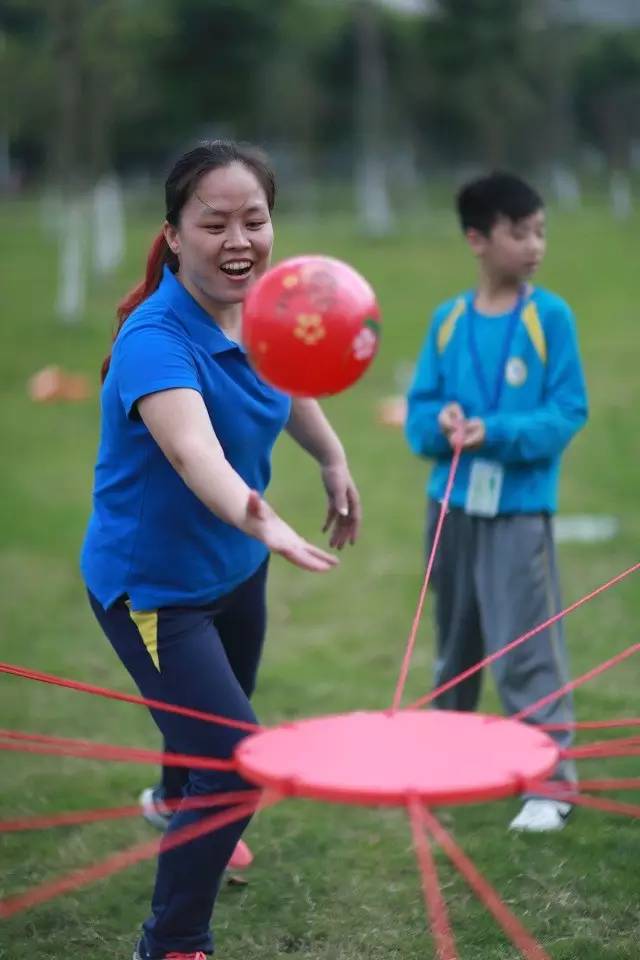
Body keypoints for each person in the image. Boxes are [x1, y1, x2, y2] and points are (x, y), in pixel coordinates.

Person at [81, 139, 361, 960]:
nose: (239, 241)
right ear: (173, 234)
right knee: (236, 769)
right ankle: (172, 942)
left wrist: (334, 458)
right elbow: (193, 453)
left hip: (235, 574)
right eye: (215, 224)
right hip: (157, 592)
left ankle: (176, 801)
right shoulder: (154, 341)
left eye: (255, 220)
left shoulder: (261, 304)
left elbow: (288, 375)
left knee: (205, 735)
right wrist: (265, 519)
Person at [405, 171, 588, 833]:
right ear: (477, 239)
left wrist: (499, 432)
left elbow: (568, 412)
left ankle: (550, 781)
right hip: (451, 508)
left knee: (524, 647)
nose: (534, 245)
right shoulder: (448, 322)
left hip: (517, 513)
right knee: (456, 645)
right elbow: (418, 416)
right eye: (519, 232)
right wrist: (444, 424)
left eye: (539, 231)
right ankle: (449, 765)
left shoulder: (549, 319)